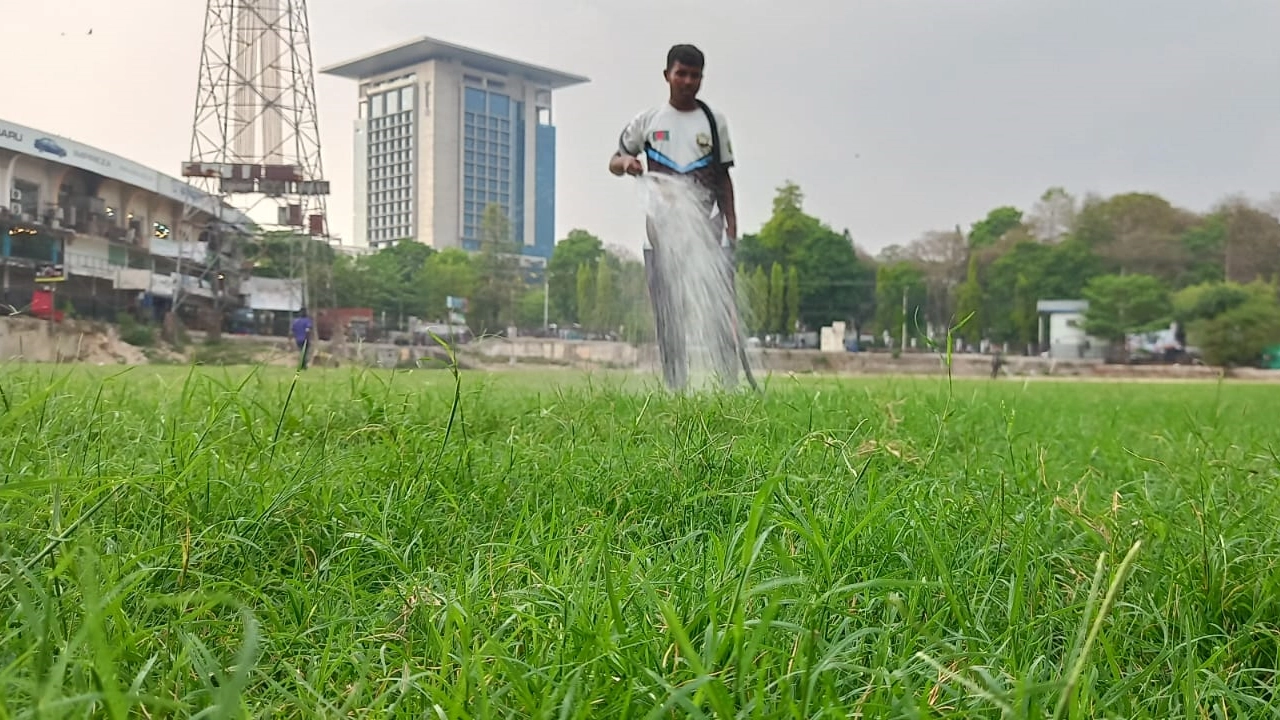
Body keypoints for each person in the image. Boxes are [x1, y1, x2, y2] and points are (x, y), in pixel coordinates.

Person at [609, 43, 740, 391]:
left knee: (717, 310)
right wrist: (628, 164)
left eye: (695, 75)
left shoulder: (713, 123)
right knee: (668, 314)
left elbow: (725, 178)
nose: (688, 81)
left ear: (702, 79)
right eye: (681, 73)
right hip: (660, 233)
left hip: (708, 230)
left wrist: (732, 227)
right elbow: (615, 160)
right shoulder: (648, 122)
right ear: (667, 74)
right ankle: (675, 386)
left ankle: (728, 384)